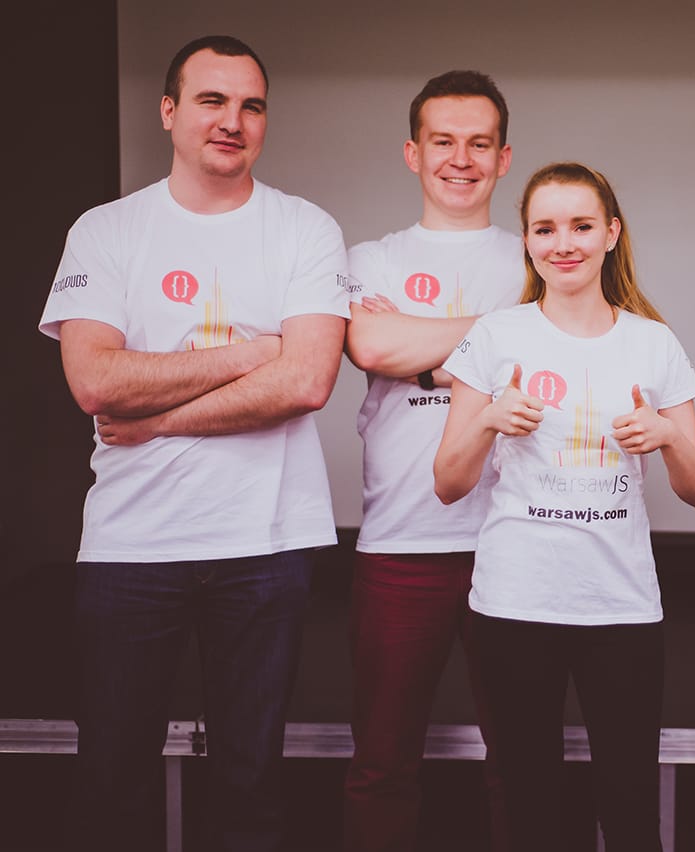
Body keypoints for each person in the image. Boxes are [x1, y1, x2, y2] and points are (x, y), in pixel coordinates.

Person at [38, 35, 349, 851]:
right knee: (111, 781)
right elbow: (94, 382)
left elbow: (306, 382)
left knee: (252, 784)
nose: (232, 121)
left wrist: (156, 418)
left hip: (267, 544)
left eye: (251, 105)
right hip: (132, 546)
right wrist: (251, 353)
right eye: (212, 100)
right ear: (169, 111)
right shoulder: (107, 230)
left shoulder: (305, 228)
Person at [434, 161, 695, 851]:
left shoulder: (652, 340)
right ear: (527, 240)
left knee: (630, 806)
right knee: (530, 806)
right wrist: (489, 419)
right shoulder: (496, 335)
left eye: (581, 226)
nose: (564, 244)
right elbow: (447, 482)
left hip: (620, 605)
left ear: (611, 233)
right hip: (515, 603)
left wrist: (668, 436)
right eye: (545, 229)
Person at [340, 69, 521, 852]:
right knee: (382, 764)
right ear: (413, 153)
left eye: (479, 143)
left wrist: (423, 353)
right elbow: (372, 346)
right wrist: (506, 335)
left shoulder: (538, 254)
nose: (461, 159)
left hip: (514, 538)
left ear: (504, 158)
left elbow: (553, 363)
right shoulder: (370, 257)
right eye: (443, 141)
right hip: (400, 543)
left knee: (519, 762)